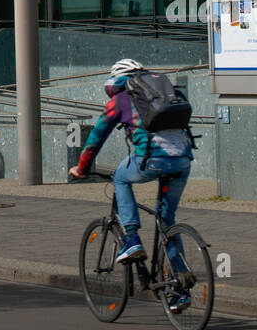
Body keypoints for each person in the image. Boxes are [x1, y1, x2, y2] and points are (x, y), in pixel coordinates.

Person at [69, 58, 194, 308]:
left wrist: (81, 168)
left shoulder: (121, 99)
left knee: (120, 177)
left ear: (115, 81)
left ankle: (132, 240)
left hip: (150, 160)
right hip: (182, 161)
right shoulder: (163, 91)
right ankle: (180, 287)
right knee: (166, 219)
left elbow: (96, 137)